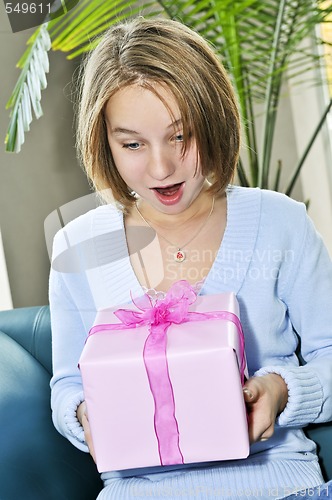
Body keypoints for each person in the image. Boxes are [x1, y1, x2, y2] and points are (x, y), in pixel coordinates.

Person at [49, 16, 332, 500]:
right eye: (132, 143)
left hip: (281, 487)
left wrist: (281, 391)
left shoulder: (281, 223)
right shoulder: (79, 245)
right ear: (106, 144)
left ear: (214, 120)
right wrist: (85, 415)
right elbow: (67, 385)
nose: (160, 167)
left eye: (181, 136)